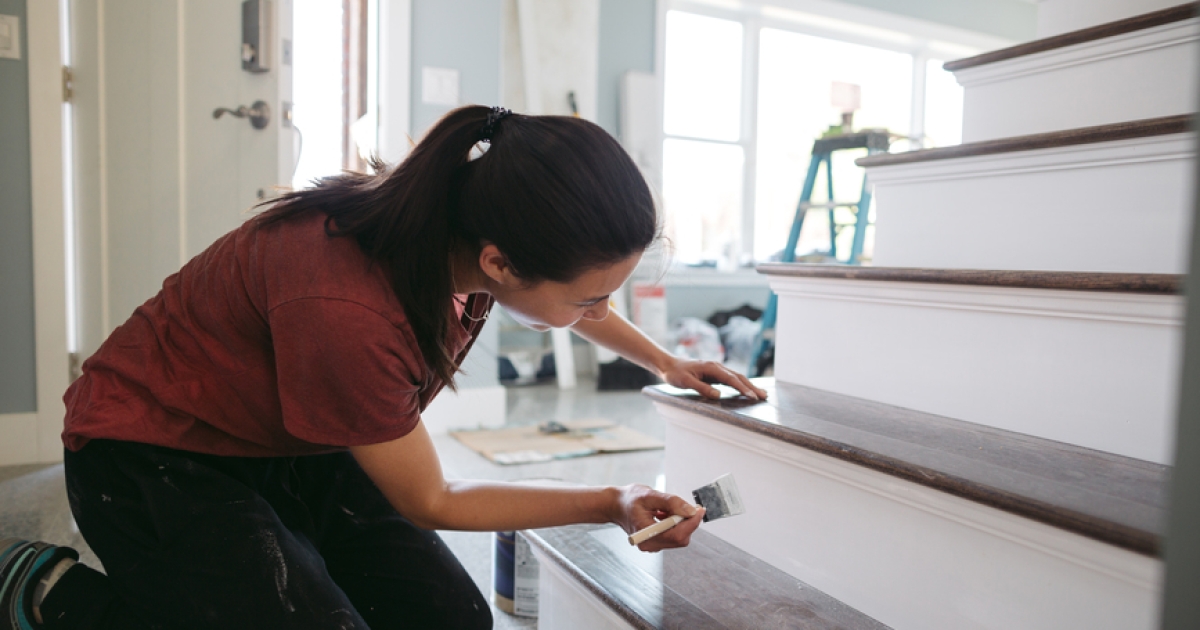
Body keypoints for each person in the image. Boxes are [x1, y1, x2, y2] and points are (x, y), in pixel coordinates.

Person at [0, 105, 768, 630]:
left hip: (288, 440)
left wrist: (665, 361)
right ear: (501, 263)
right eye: (591, 297)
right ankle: (55, 596)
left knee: (455, 620)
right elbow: (434, 496)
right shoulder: (346, 306)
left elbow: (576, 296)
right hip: (151, 454)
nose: (600, 308)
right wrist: (611, 498)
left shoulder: (464, 225)